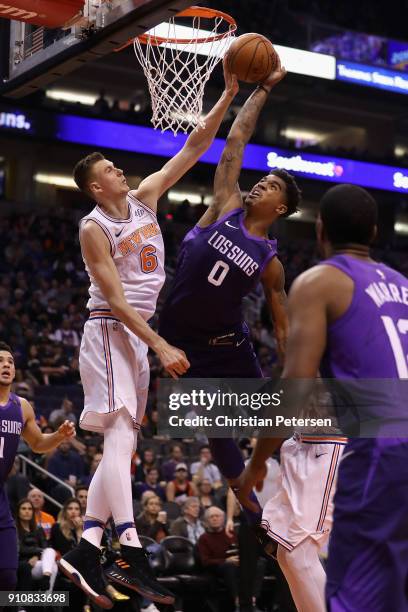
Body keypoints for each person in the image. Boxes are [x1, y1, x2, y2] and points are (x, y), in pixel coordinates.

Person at [58, 63, 239, 609]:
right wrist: (160, 344)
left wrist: (228, 90)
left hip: (135, 337)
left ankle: (88, 546)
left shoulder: (144, 197)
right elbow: (113, 299)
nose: (120, 169)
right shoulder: (95, 226)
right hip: (112, 330)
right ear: (96, 185)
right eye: (111, 167)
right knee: (119, 437)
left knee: (125, 444)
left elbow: (194, 145)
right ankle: (130, 550)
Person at [237, 184, 408, 612]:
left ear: (320, 228)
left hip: (372, 443)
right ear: (373, 230)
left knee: (316, 559)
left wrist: (258, 463)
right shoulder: (402, 285)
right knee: (288, 537)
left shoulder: (320, 282)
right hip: (386, 433)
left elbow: (295, 387)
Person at [159, 57, 300, 529]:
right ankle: (252, 506)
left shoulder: (271, 262)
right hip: (183, 339)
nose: (261, 183)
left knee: (276, 415)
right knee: (219, 430)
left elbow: (282, 326)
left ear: (280, 207)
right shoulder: (227, 204)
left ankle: (301, 480)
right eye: (263, 179)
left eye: (272, 185)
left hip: (229, 346)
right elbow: (236, 140)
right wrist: (262, 89)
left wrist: (293, 362)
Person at [0, 342, 75, 593]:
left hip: (0, 498)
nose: (6, 365)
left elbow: (38, 444)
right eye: (0, 361)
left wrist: (59, 436)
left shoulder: (21, 407)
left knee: (9, 576)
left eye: (10, 361)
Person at [197, 506, 240, 610]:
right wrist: (226, 560)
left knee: (259, 563)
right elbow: (205, 561)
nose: (215, 518)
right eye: (212, 517)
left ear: (223, 519)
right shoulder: (203, 538)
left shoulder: (231, 533)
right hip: (216, 568)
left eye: (217, 516)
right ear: (207, 521)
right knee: (229, 566)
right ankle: (238, 602)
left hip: (236, 563)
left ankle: (252, 600)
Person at [15, 498, 58, 592]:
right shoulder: (14, 529)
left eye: (30, 509)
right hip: (24, 563)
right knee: (52, 564)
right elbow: (19, 549)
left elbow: (46, 548)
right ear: (18, 512)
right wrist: (38, 553)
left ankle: (45, 587)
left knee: (51, 554)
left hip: (37, 563)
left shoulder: (38, 529)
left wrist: (36, 556)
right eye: (24, 508)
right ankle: (46, 599)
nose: (27, 511)